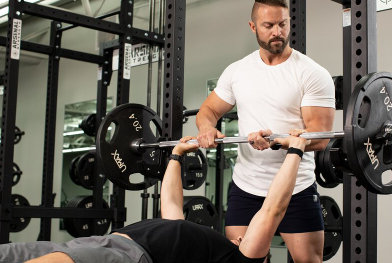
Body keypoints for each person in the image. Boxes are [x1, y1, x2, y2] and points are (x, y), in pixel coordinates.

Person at [0, 132, 309, 263]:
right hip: (104, 244)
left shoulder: (239, 261)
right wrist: (176, 156)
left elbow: (272, 209)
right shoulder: (196, 246)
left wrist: (295, 151)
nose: (244, 237)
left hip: (126, 256)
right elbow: (172, 208)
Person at [195, 1, 335, 262]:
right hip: (247, 187)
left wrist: (277, 143)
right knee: (241, 260)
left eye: (282, 24)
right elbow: (208, 111)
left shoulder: (311, 73)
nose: (277, 32)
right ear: (253, 27)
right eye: (268, 25)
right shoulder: (237, 71)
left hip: (296, 188)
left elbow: (320, 136)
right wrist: (206, 128)